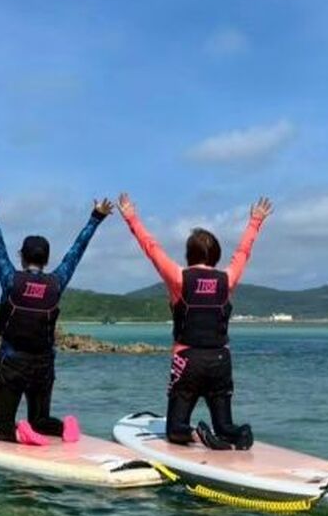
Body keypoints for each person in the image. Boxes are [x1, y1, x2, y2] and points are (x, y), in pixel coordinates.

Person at [117, 192, 273, 450]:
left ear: (189, 255)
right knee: (224, 426)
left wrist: (131, 217)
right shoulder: (227, 279)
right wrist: (255, 221)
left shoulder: (179, 278)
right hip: (221, 360)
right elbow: (243, 252)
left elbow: (151, 248)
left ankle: (197, 435)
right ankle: (240, 434)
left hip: (188, 360)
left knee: (175, 429)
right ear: (216, 256)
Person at [0, 182, 114, 446]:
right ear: (46, 260)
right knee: (40, 420)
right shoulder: (56, 283)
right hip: (43, 364)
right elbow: (76, 252)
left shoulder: (11, 279)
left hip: (13, 362)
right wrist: (96, 217)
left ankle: (22, 433)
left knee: (1, 429)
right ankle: (63, 426)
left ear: (22, 257)